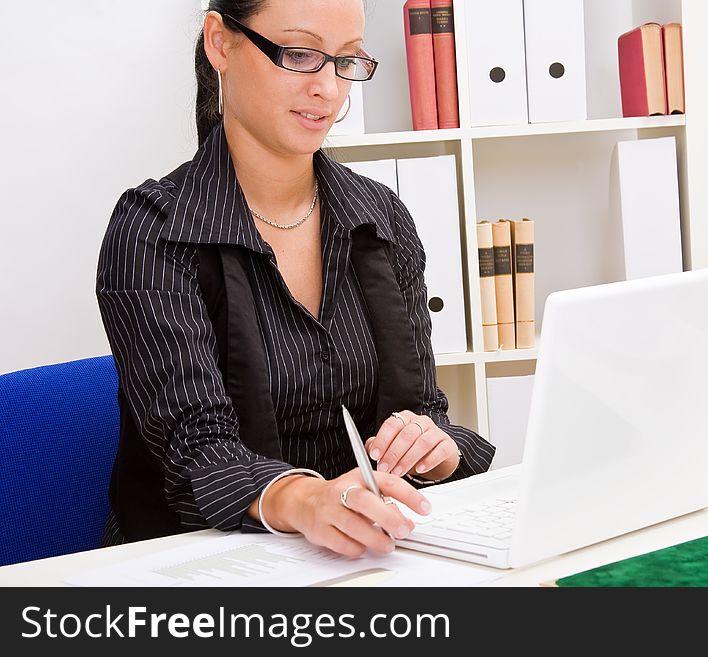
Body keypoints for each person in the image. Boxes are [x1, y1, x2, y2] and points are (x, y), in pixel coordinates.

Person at [96, 0, 495, 558]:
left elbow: (424, 408)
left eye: (347, 60)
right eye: (300, 54)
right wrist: (307, 501)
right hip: (207, 564)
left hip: (367, 553)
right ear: (220, 43)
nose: (329, 90)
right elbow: (197, 458)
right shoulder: (156, 230)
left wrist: (435, 447)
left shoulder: (378, 219)